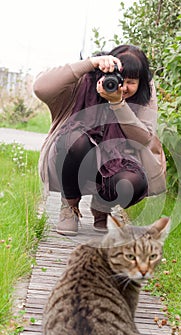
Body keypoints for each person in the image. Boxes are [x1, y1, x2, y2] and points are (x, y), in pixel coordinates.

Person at [33, 44, 166, 236]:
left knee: (134, 182)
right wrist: (90, 63)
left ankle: (103, 204)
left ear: (141, 82)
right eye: (120, 80)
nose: (123, 87)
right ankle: (69, 206)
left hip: (119, 161)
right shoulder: (88, 78)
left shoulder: (145, 91)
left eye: (131, 82)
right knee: (74, 140)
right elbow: (40, 88)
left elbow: (143, 138)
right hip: (78, 157)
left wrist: (118, 104)